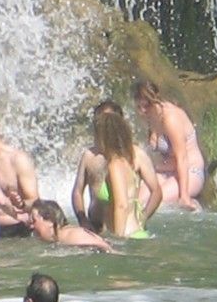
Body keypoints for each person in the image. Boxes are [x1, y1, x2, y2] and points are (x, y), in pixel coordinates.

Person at [134, 81, 206, 211]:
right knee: (137, 202)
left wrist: (184, 197)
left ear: (155, 100)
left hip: (190, 171)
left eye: (146, 106)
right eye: (139, 106)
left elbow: (182, 157)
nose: (143, 111)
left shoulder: (170, 118)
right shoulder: (151, 116)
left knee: (153, 204)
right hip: (165, 171)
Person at [95, 110, 162, 238]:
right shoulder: (125, 161)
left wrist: (117, 241)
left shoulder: (115, 165)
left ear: (104, 138)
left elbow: (121, 205)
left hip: (127, 235)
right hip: (135, 233)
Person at [71, 100, 123, 231]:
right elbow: (77, 191)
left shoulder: (129, 155)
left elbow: (155, 191)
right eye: (100, 121)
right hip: (96, 226)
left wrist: (143, 216)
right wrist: (83, 220)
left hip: (123, 225)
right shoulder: (89, 156)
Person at [28, 200, 114, 253]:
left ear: (50, 221)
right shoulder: (61, 237)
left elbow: (104, 248)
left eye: (34, 221)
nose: (31, 226)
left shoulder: (70, 235)